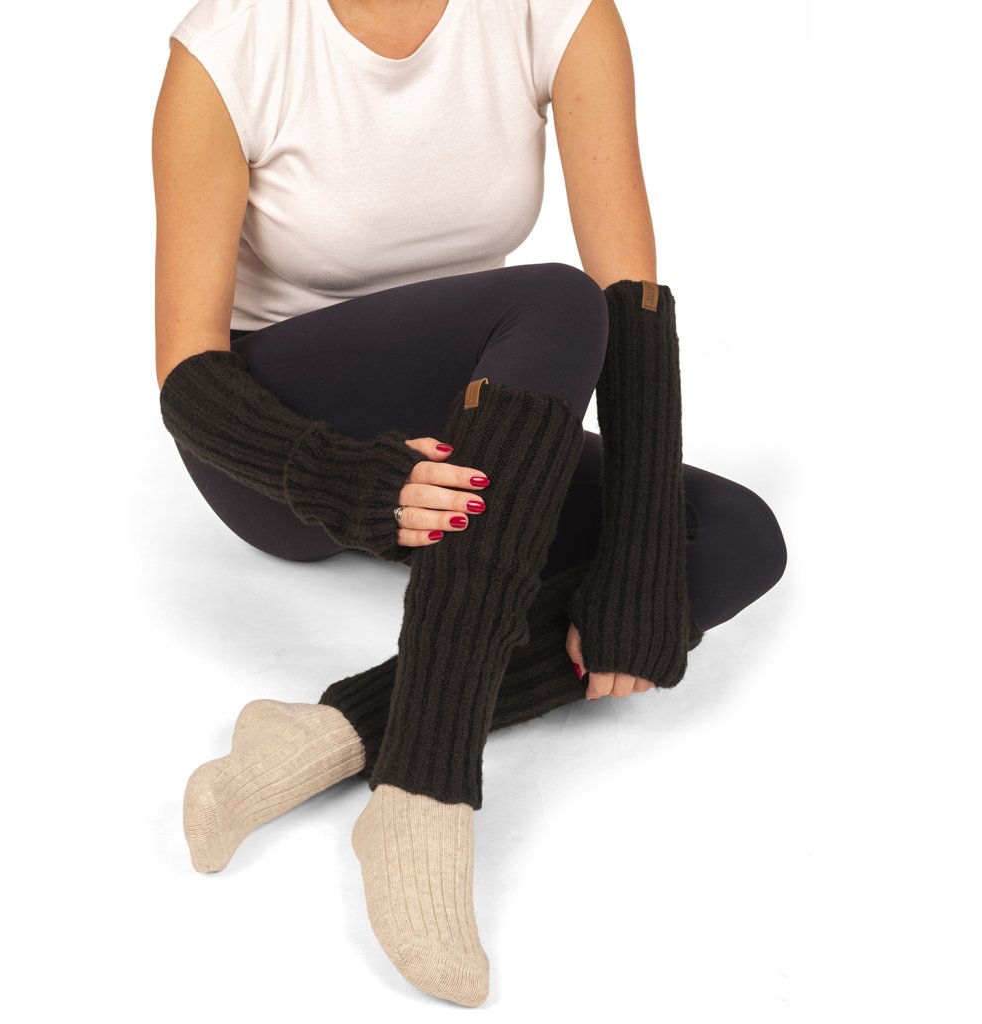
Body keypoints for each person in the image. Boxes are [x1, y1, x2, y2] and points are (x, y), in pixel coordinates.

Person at [152, 0, 787, 1007]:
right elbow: (188, 378)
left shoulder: (556, 15)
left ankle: (329, 735)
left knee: (729, 537)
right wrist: (346, 479)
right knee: (554, 300)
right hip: (281, 449)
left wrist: (634, 563)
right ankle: (426, 787)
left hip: (472, 433)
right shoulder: (230, 48)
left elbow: (632, 303)